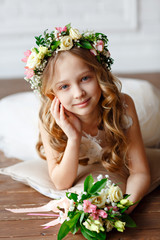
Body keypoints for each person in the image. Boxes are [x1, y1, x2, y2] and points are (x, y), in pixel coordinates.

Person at [22, 24, 158, 213]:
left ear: (98, 74)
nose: (78, 93)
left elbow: (140, 173)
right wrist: (74, 137)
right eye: (64, 87)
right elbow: (61, 183)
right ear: (52, 93)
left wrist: (123, 208)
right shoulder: (48, 119)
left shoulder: (123, 106)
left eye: (85, 78)